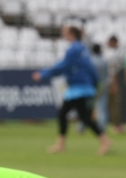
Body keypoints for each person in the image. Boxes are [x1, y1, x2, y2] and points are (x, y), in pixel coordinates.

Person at [33, 26, 111, 155]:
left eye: (65, 33)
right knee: (83, 117)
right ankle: (104, 140)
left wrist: (43, 74)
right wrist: (96, 84)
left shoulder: (73, 49)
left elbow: (63, 66)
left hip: (77, 88)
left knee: (64, 113)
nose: (64, 35)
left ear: (71, 34)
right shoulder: (83, 48)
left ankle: (61, 144)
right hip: (84, 87)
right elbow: (90, 69)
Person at [104, 35, 125, 134]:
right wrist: (114, 84)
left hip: (101, 82)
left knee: (100, 105)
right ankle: (116, 126)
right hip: (110, 82)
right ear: (113, 42)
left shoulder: (104, 52)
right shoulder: (112, 54)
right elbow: (113, 71)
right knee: (114, 105)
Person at [90, 43, 110, 132]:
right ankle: (102, 126)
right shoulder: (104, 61)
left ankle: (82, 126)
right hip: (102, 85)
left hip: (91, 84)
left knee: (87, 106)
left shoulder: (90, 60)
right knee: (102, 106)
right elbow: (106, 75)